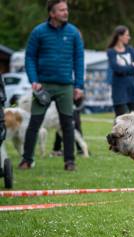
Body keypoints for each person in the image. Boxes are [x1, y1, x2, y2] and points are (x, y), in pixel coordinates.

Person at [19, 0, 84, 171]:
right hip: (43, 86)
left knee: (68, 125)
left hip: (65, 87)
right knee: (34, 123)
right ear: (52, 13)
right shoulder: (38, 32)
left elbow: (79, 60)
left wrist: (79, 85)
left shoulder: (73, 33)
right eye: (61, 10)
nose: (65, 12)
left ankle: (69, 162)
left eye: (66, 9)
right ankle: (26, 160)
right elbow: (30, 57)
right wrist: (33, 80)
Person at [107, 25, 134, 117]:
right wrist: (131, 67)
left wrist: (123, 68)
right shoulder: (111, 52)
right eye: (127, 35)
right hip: (119, 90)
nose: (129, 37)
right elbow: (116, 68)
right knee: (120, 119)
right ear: (120, 36)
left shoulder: (130, 50)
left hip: (132, 88)